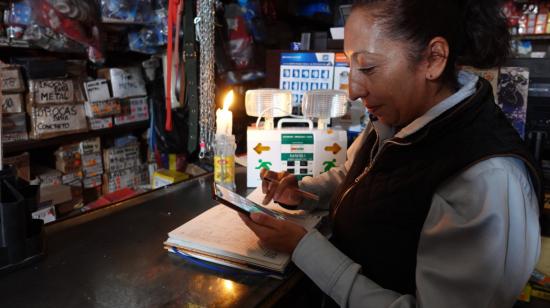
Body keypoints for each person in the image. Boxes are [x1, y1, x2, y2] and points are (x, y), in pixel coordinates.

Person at [239, 0, 544, 307]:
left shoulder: (487, 179)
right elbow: (357, 175)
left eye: (368, 67)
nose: (353, 91)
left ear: (434, 59)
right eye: (349, 67)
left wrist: (303, 248)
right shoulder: (398, 119)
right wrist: (304, 192)